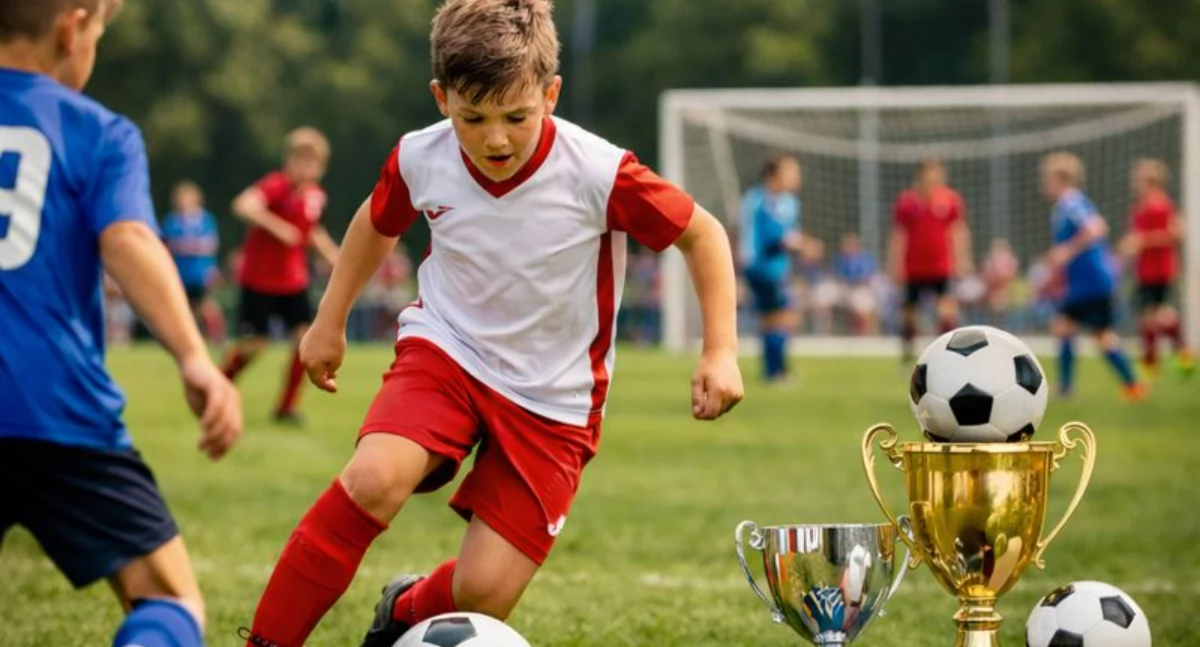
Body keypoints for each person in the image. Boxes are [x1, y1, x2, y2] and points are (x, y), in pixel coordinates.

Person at [238, 1, 744, 645]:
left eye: (517, 117)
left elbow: (702, 235)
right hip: (447, 353)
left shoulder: (597, 171)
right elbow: (375, 222)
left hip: (555, 399)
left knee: (483, 594)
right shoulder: (421, 157)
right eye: (472, 118)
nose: (496, 139)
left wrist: (720, 350)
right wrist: (327, 321)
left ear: (551, 94)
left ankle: (402, 612)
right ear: (440, 98)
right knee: (374, 478)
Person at [0, 2, 244, 646]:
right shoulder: (98, 131)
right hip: (57, 406)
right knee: (169, 599)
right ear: (69, 27)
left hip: (54, 406)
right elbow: (130, 238)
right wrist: (194, 356)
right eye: (100, 31)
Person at [219, 127, 340, 424]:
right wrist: (276, 226)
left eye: (313, 163)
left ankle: (286, 408)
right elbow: (243, 205)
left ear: (321, 167)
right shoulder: (276, 185)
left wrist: (337, 259)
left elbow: (311, 231)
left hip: (293, 282)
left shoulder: (315, 196)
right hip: (259, 280)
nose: (306, 168)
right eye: (300, 160)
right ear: (289, 161)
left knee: (304, 342)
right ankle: (219, 385)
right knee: (256, 345)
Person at [1040, 152, 1145, 400]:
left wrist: (1067, 251)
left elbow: (1096, 227)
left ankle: (1133, 385)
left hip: (1094, 282)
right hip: (1081, 284)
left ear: (1061, 179)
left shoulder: (1073, 202)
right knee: (1063, 327)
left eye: (1047, 178)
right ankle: (1067, 387)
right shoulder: (1062, 207)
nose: (1044, 183)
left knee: (1101, 336)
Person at [738, 153, 814, 382]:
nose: (795, 176)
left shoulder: (787, 202)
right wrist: (803, 245)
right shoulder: (762, 200)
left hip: (774, 267)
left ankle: (774, 369)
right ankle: (776, 371)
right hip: (761, 266)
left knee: (773, 317)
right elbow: (773, 237)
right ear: (773, 175)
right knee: (782, 316)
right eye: (790, 171)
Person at [889, 158, 972, 362]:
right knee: (909, 313)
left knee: (946, 311)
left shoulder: (950, 199)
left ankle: (946, 356)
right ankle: (907, 356)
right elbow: (899, 235)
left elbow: (958, 231)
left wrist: (962, 259)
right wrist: (895, 265)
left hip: (941, 266)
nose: (931, 179)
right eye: (926, 174)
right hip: (914, 267)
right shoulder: (906, 202)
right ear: (920, 177)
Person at [1118, 159, 1193, 379]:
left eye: (1139, 179)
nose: (1134, 183)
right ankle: (1156, 360)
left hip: (1159, 269)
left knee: (1156, 314)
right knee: (1147, 315)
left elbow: (1175, 234)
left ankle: (1176, 354)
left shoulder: (1159, 204)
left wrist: (1142, 240)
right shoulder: (1142, 206)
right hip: (1146, 269)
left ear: (1151, 181)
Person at [162, 180, 225, 343]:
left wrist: (187, 246)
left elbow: (211, 244)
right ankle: (188, 337)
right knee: (184, 307)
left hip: (200, 271)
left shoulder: (206, 220)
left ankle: (216, 335)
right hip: (181, 272)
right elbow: (168, 245)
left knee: (206, 305)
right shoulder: (172, 221)